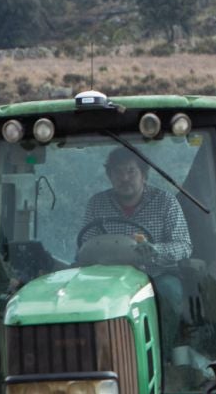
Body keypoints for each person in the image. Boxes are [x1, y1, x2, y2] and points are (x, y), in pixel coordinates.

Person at [79, 146, 191, 341]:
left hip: (155, 275)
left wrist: (155, 250)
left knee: (170, 292)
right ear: (110, 176)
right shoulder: (97, 204)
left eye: (131, 171)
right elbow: (87, 244)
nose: (124, 178)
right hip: (107, 279)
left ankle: (165, 351)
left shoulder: (166, 202)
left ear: (143, 174)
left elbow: (184, 245)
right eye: (118, 172)